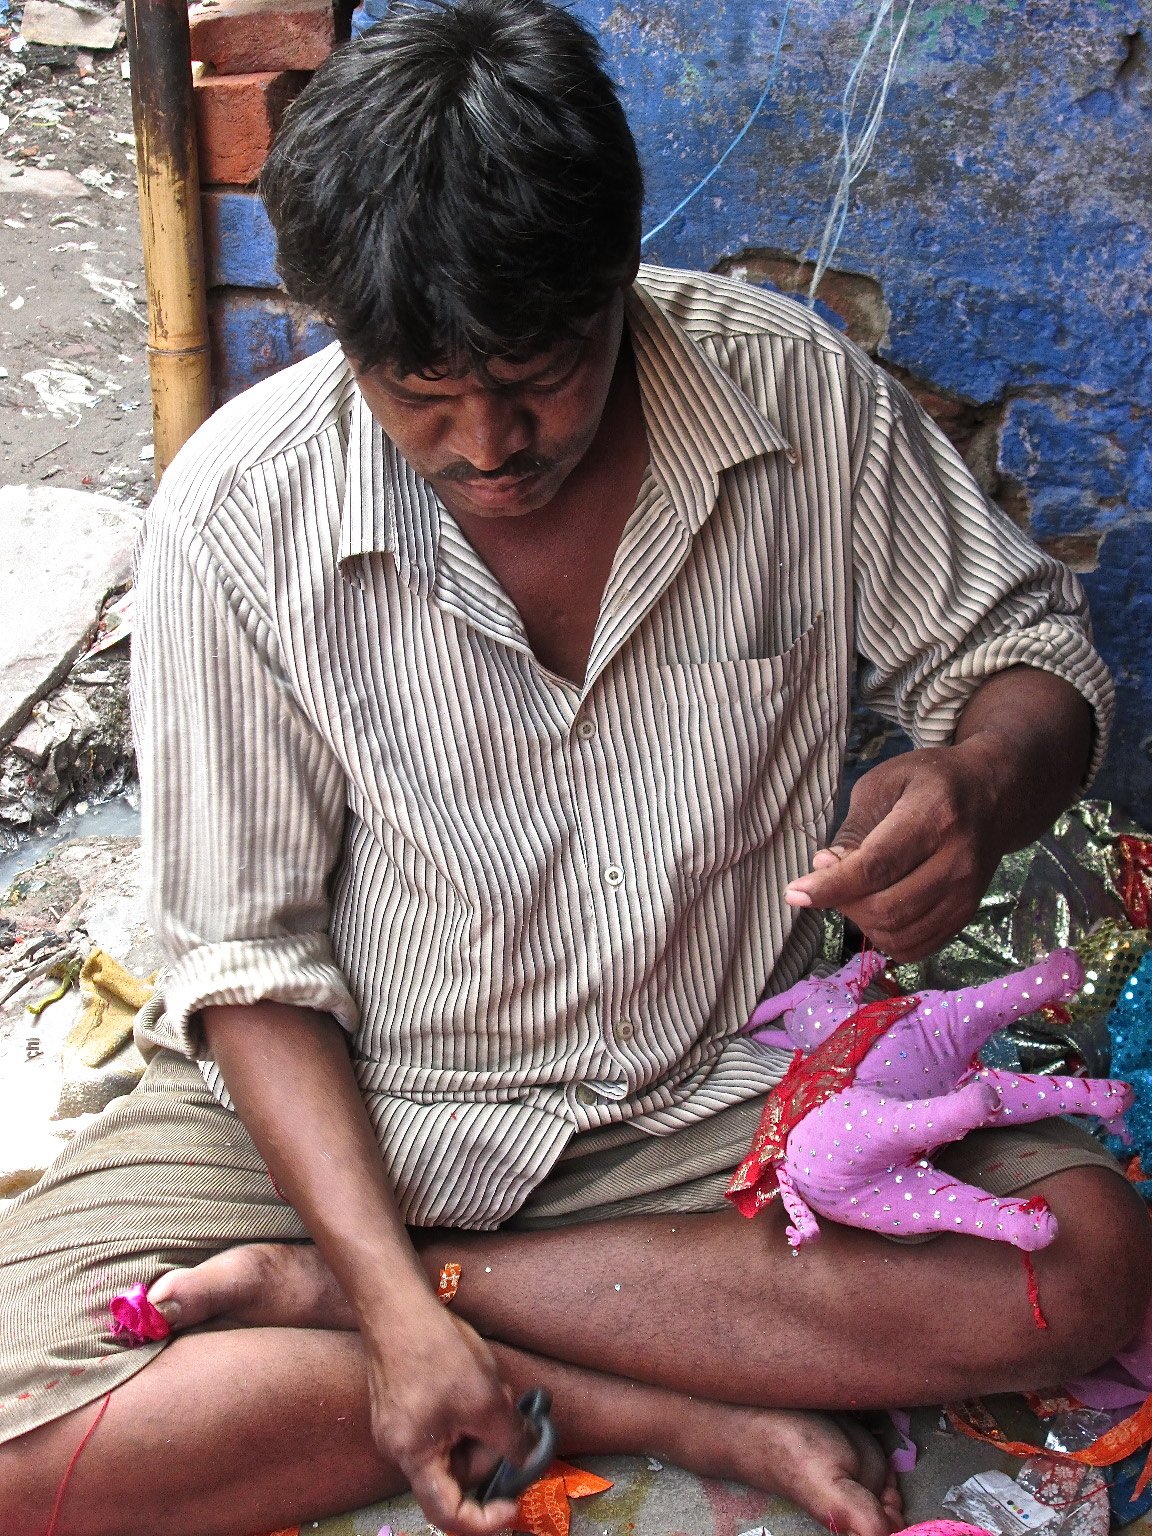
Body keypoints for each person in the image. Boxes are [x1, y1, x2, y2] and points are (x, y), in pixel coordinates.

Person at [1, 2, 1149, 1533]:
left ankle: (371, 1306)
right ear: (343, 336)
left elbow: (1029, 656)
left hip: (706, 1087)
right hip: (363, 1107)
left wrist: (982, 783)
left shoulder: (792, 399)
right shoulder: (240, 516)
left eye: (542, 371)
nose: (490, 444)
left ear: (622, 285)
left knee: (1074, 1264)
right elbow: (250, 963)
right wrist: (391, 1296)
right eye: (422, 393)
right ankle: (604, 1381)